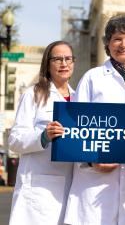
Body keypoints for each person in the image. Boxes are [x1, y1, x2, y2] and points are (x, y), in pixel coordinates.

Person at [64, 15, 125, 225]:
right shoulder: (92, 78)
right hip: (94, 182)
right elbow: (75, 128)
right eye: (117, 39)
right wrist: (91, 160)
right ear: (108, 44)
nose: (124, 45)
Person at [8, 41, 76, 224]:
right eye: (57, 59)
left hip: (70, 189)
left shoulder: (79, 99)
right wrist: (43, 137)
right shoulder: (34, 94)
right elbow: (15, 140)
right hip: (38, 191)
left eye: (68, 59)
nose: (64, 63)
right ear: (47, 63)